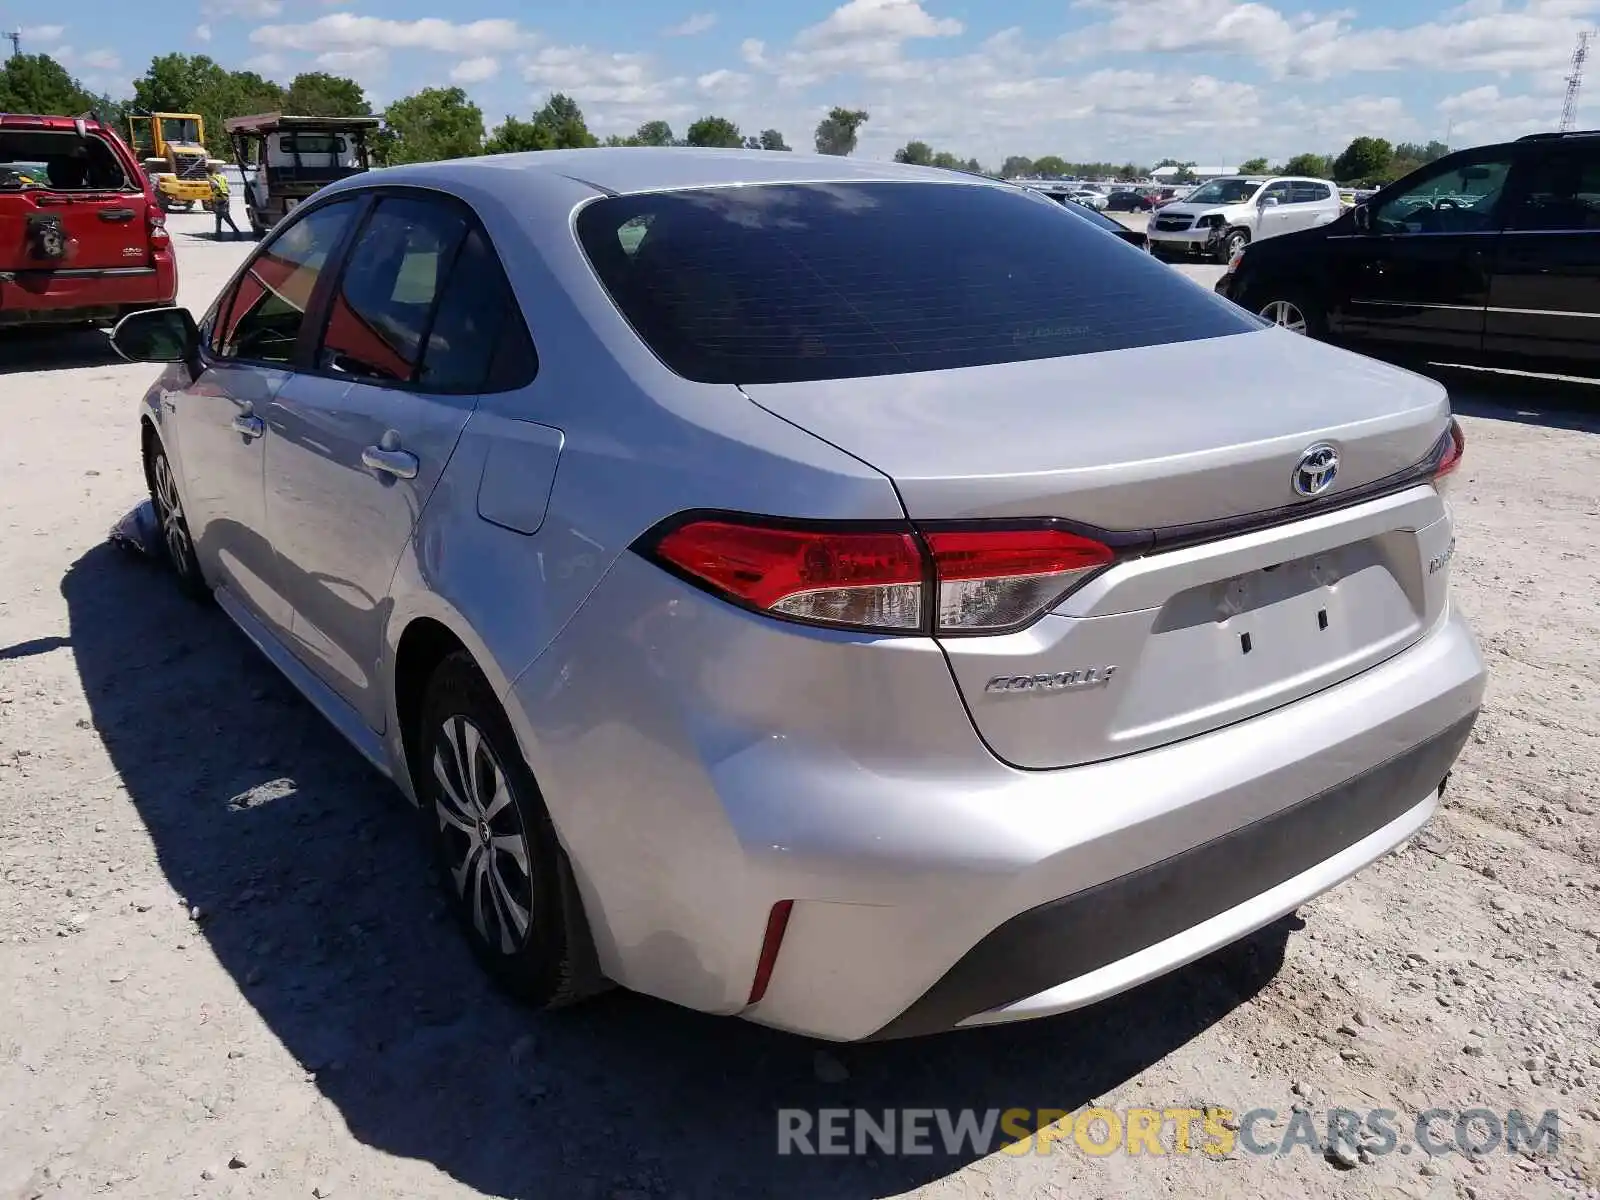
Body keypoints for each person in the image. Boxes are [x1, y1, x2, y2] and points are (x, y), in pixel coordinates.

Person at [209, 169, 240, 239]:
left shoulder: (212, 178)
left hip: (220, 198)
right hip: (225, 197)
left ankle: (236, 230)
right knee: (218, 216)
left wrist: (217, 197)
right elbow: (228, 189)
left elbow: (217, 187)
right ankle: (218, 233)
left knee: (225, 216)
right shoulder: (223, 177)